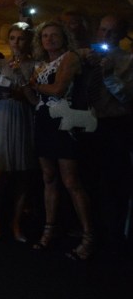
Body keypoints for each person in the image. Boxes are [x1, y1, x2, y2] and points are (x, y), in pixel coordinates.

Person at [25, 21, 94, 259]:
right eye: (45, 36)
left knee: (71, 180)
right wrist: (25, 85)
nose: (49, 39)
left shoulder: (69, 58)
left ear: (64, 37)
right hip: (44, 121)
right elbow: (36, 100)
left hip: (64, 123)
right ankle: (49, 229)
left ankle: (88, 236)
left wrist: (35, 84)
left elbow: (58, 90)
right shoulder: (41, 64)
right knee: (49, 178)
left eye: (54, 35)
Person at [0, 23, 36, 242]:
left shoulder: (35, 64)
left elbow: (35, 98)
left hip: (24, 116)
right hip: (2, 115)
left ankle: (16, 222)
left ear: (29, 41)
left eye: (21, 38)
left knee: (22, 173)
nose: (16, 43)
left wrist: (20, 80)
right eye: (12, 38)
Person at [83, 15, 133, 252]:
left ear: (122, 34)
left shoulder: (128, 60)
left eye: (112, 32)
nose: (106, 37)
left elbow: (126, 97)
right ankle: (91, 232)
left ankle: (114, 238)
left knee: (115, 183)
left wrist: (110, 74)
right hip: (87, 123)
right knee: (88, 180)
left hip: (115, 125)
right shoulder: (88, 57)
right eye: (103, 30)